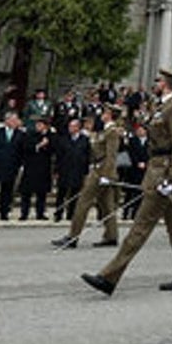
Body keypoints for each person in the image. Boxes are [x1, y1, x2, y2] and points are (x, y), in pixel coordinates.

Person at [81, 68, 172, 296]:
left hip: (163, 173)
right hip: (156, 170)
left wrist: (171, 178)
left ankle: (108, 277)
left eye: (159, 80)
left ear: (167, 84)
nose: (155, 83)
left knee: (140, 227)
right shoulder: (161, 107)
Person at [54, 105, 123, 248]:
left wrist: (107, 175)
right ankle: (111, 236)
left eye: (105, 112)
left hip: (102, 172)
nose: (102, 114)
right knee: (107, 205)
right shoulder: (105, 130)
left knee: (83, 203)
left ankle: (73, 236)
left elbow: (111, 156)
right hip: (99, 169)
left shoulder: (112, 132)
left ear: (109, 114)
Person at [53, 118, 90, 222]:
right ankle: (58, 213)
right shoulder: (63, 139)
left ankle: (71, 214)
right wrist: (56, 170)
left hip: (78, 170)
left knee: (75, 193)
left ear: (78, 128)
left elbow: (87, 156)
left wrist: (86, 171)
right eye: (70, 126)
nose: (71, 129)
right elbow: (59, 156)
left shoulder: (84, 139)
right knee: (61, 193)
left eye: (73, 126)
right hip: (65, 169)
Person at [19, 116, 55, 220]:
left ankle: (40, 213)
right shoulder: (30, 135)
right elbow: (26, 147)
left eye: (40, 125)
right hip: (31, 167)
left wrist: (46, 144)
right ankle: (24, 213)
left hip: (43, 168)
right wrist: (39, 145)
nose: (38, 127)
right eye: (37, 125)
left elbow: (53, 149)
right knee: (26, 193)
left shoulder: (50, 136)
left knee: (41, 193)